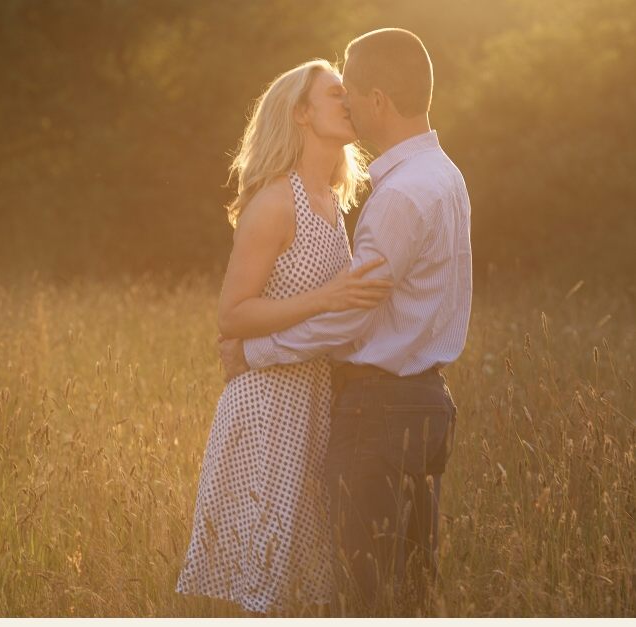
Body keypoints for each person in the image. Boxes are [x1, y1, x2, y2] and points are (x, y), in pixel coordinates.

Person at [219, 28, 472, 615]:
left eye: (350, 92)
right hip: (419, 401)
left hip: (382, 409)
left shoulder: (399, 194)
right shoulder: (444, 175)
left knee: (367, 594)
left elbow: (349, 317)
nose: (349, 104)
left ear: (377, 100)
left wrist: (254, 352)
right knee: (406, 588)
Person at [175, 59, 392, 616]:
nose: (350, 102)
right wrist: (327, 298)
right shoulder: (276, 202)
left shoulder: (333, 203)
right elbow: (233, 316)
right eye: (336, 95)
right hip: (267, 407)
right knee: (262, 585)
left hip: (317, 405)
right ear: (300, 113)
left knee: (308, 588)